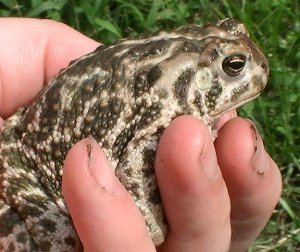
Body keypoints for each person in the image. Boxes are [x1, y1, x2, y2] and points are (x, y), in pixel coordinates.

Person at [0, 18, 282, 252]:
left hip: (25, 132)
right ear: (197, 81)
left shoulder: (172, 101)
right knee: (68, 243)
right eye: (234, 67)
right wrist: (152, 224)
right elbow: (137, 162)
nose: (256, 68)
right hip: (38, 181)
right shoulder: (167, 103)